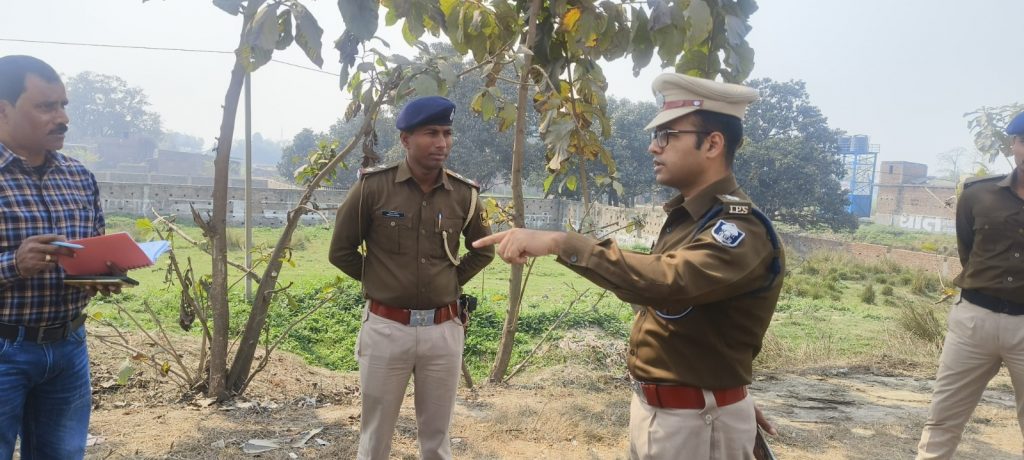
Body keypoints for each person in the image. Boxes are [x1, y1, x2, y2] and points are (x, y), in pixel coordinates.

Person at [473, 73, 785, 459]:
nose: (654, 147)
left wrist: (560, 242)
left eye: (667, 135)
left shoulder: (740, 228)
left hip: (695, 423)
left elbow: (668, 282)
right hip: (675, 415)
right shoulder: (689, 219)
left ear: (712, 144)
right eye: (655, 136)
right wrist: (724, 393)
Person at [328, 95, 494, 460]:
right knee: (375, 437)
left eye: (447, 133)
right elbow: (340, 251)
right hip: (386, 329)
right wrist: (381, 281)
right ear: (405, 139)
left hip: (443, 332)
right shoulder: (372, 188)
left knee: (437, 438)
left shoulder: (464, 195)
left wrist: (450, 282)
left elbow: (484, 250)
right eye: (431, 133)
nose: (442, 142)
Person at [0, 55, 112, 459]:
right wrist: (14, 264)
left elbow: (95, 248)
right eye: (46, 106)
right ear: (4, 110)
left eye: (63, 105)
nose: (62, 118)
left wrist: (103, 275)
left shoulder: (79, 177)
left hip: (68, 348)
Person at [916, 111, 1024, 459]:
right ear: (1014, 144)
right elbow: (969, 253)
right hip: (974, 321)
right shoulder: (978, 195)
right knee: (942, 421)